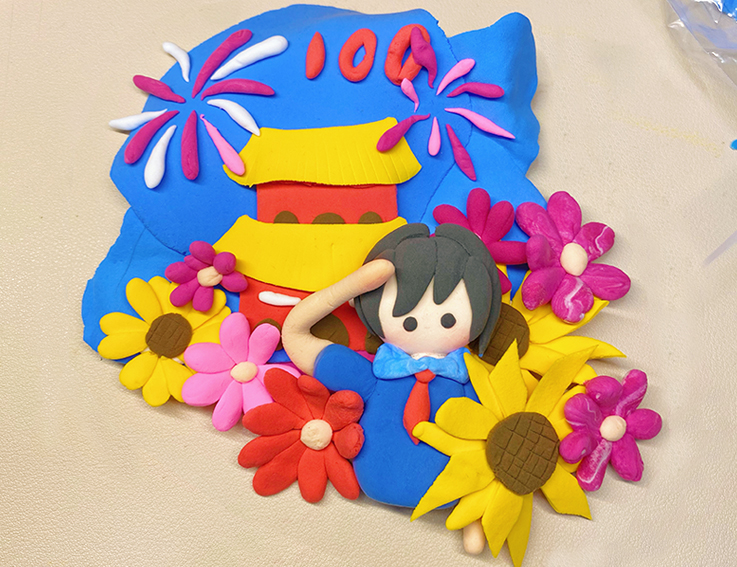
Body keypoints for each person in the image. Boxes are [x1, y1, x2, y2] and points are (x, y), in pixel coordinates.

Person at [282, 223, 502, 507]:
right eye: (408, 321)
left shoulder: (475, 383)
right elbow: (296, 336)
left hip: (454, 489)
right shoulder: (375, 376)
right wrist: (352, 286)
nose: (425, 326)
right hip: (376, 478)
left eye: (448, 320)